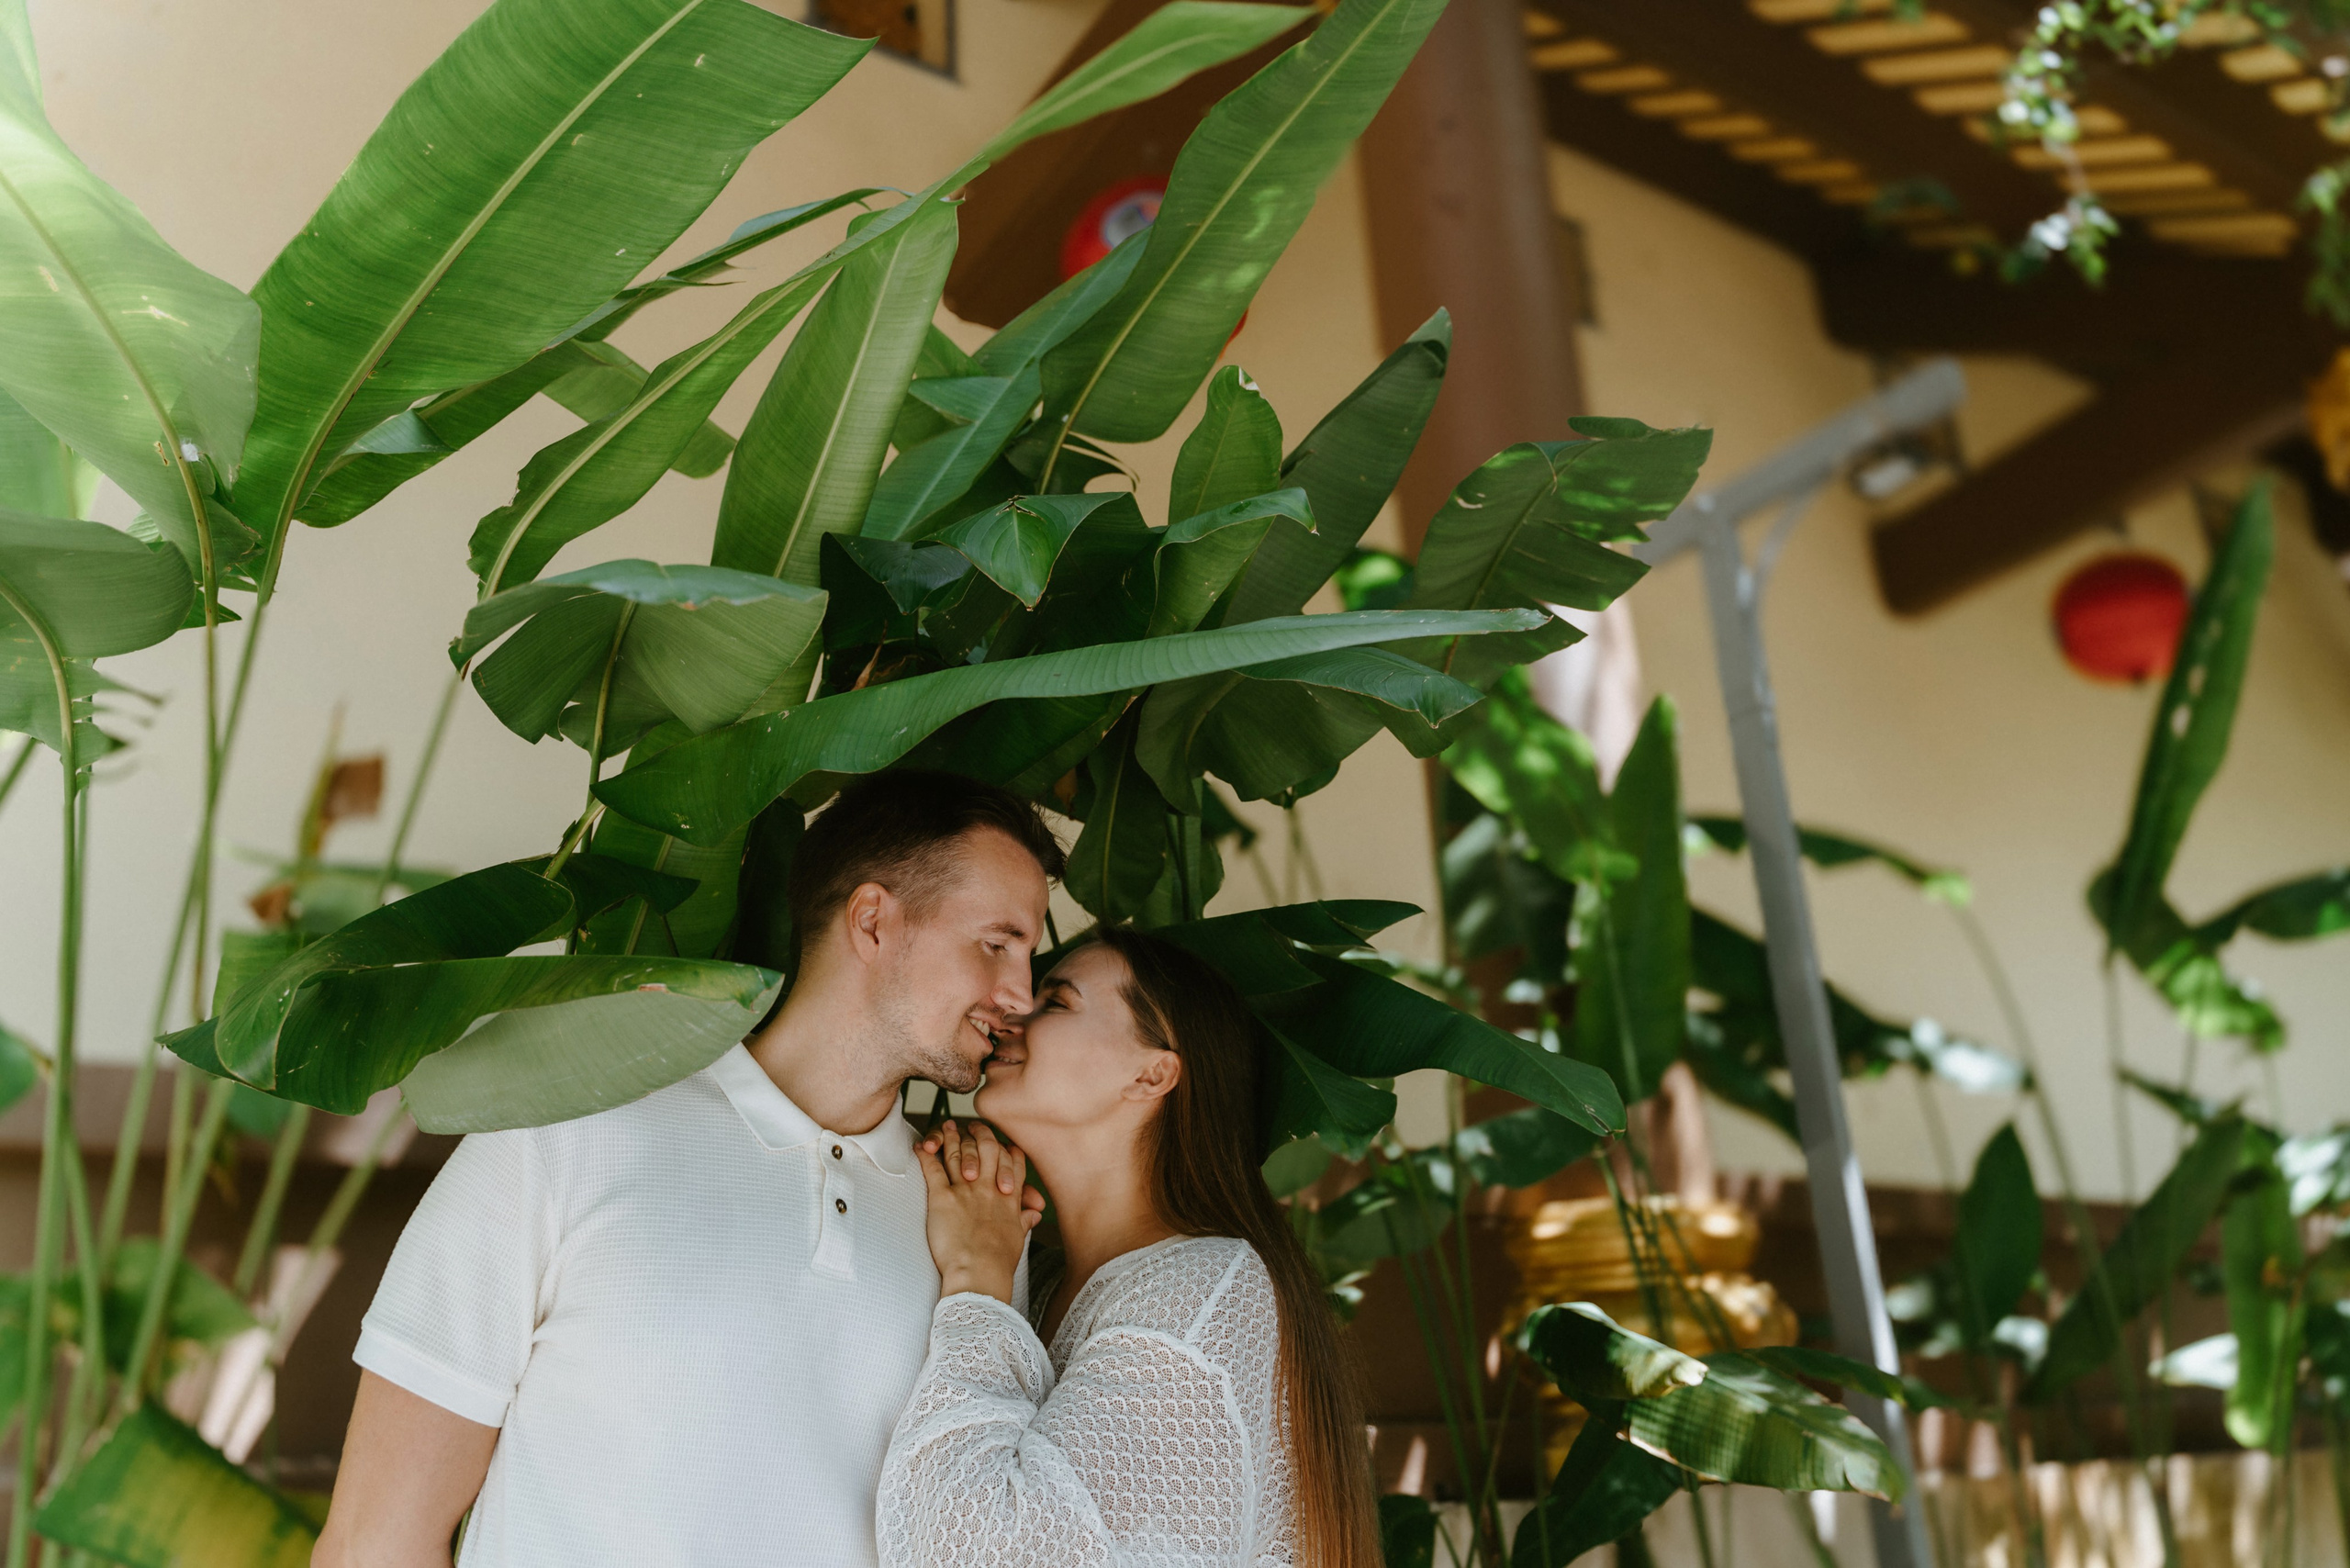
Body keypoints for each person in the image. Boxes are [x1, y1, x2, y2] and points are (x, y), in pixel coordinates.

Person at [312, 771, 1065, 1568]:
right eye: (995, 945)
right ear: (874, 922)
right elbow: (376, 1538)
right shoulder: (573, 1127)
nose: (1021, 994)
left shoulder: (973, 1230)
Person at [877, 925, 1381, 1567]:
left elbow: (989, 1553)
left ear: (1152, 1073)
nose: (1009, 1016)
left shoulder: (1205, 1290)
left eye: (1056, 1001)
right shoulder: (1051, 1277)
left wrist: (977, 1276)